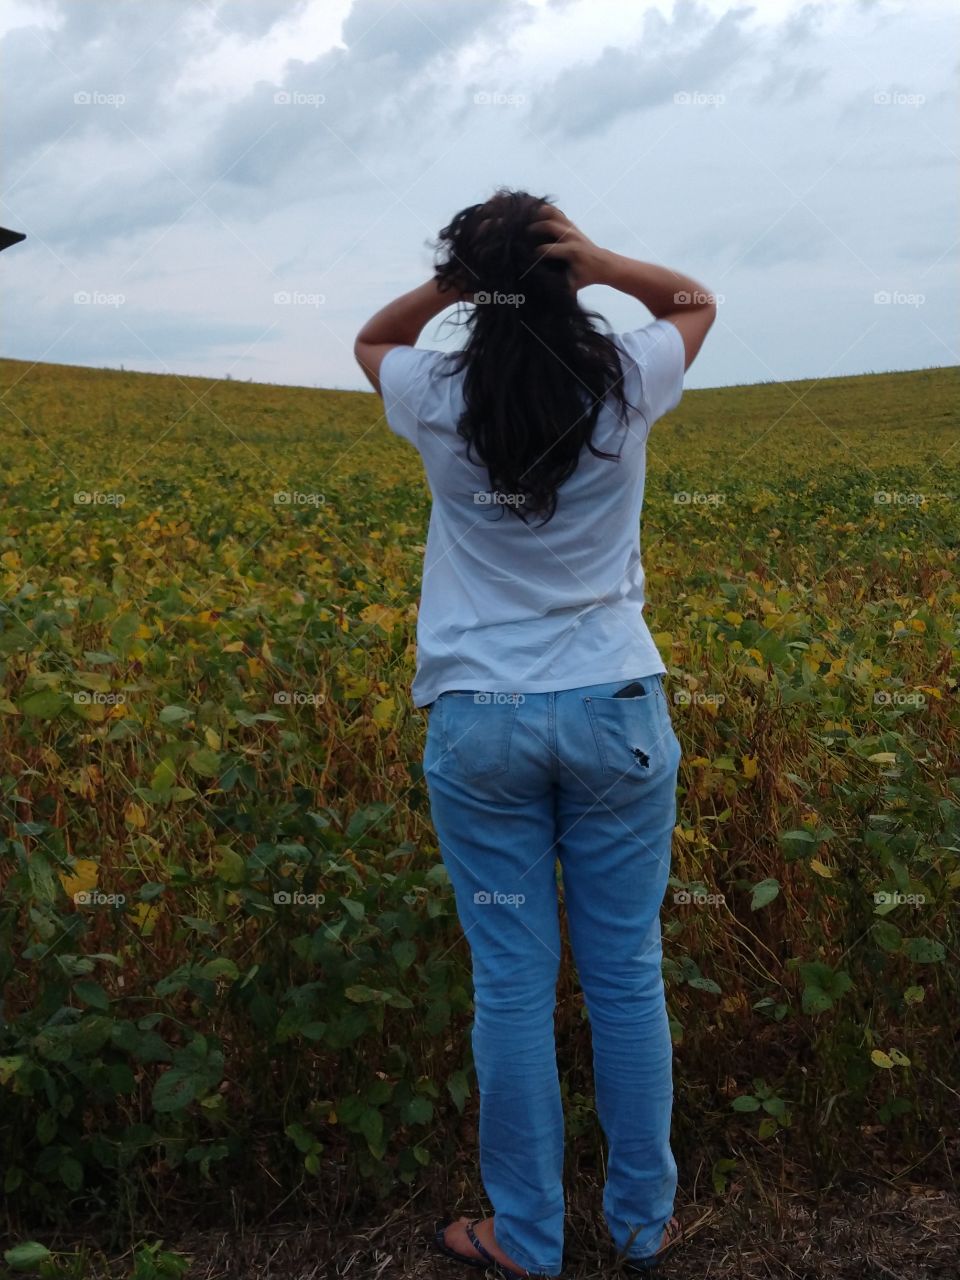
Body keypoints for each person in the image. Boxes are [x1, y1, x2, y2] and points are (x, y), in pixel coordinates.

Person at [354, 189, 716, 1278]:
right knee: (626, 972)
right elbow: (698, 300)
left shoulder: (434, 390)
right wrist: (602, 262)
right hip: (614, 708)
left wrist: (456, 284)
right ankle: (642, 1225)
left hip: (484, 723)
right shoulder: (625, 379)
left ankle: (527, 1234)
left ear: (473, 287)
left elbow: (374, 337)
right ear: (565, 276)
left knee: (510, 984)